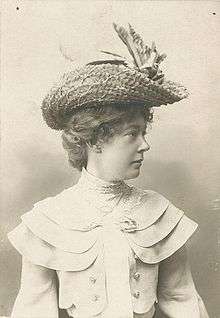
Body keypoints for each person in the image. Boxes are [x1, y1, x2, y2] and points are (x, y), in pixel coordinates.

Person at [8, 23, 210, 318]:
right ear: (94, 139)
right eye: (132, 134)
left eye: (144, 132)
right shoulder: (49, 219)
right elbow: (33, 309)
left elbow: (183, 299)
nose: (145, 146)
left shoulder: (159, 213)